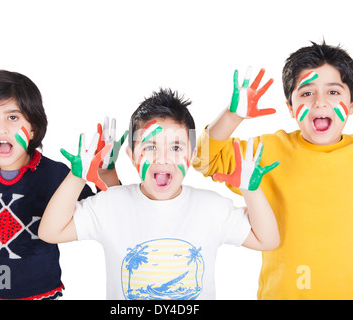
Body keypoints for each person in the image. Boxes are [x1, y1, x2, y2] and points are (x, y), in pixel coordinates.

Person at [38, 88, 280, 300]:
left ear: (193, 154)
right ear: (131, 156)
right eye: (151, 147)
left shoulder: (211, 207)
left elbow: (267, 240)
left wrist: (251, 189)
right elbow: (50, 231)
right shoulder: (111, 203)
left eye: (176, 147)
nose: (163, 157)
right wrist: (77, 176)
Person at [193, 41, 353, 299]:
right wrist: (232, 116)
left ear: (352, 104)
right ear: (290, 107)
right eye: (306, 93)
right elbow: (202, 159)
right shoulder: (267, 150)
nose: (320, 103)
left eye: (334, 92)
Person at [0, 70, 120, 300]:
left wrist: (107, 173)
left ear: (33, 128)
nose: (1, 129)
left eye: (13, 117)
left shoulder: (58, 175)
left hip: (37, 292)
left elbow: (104, 215)